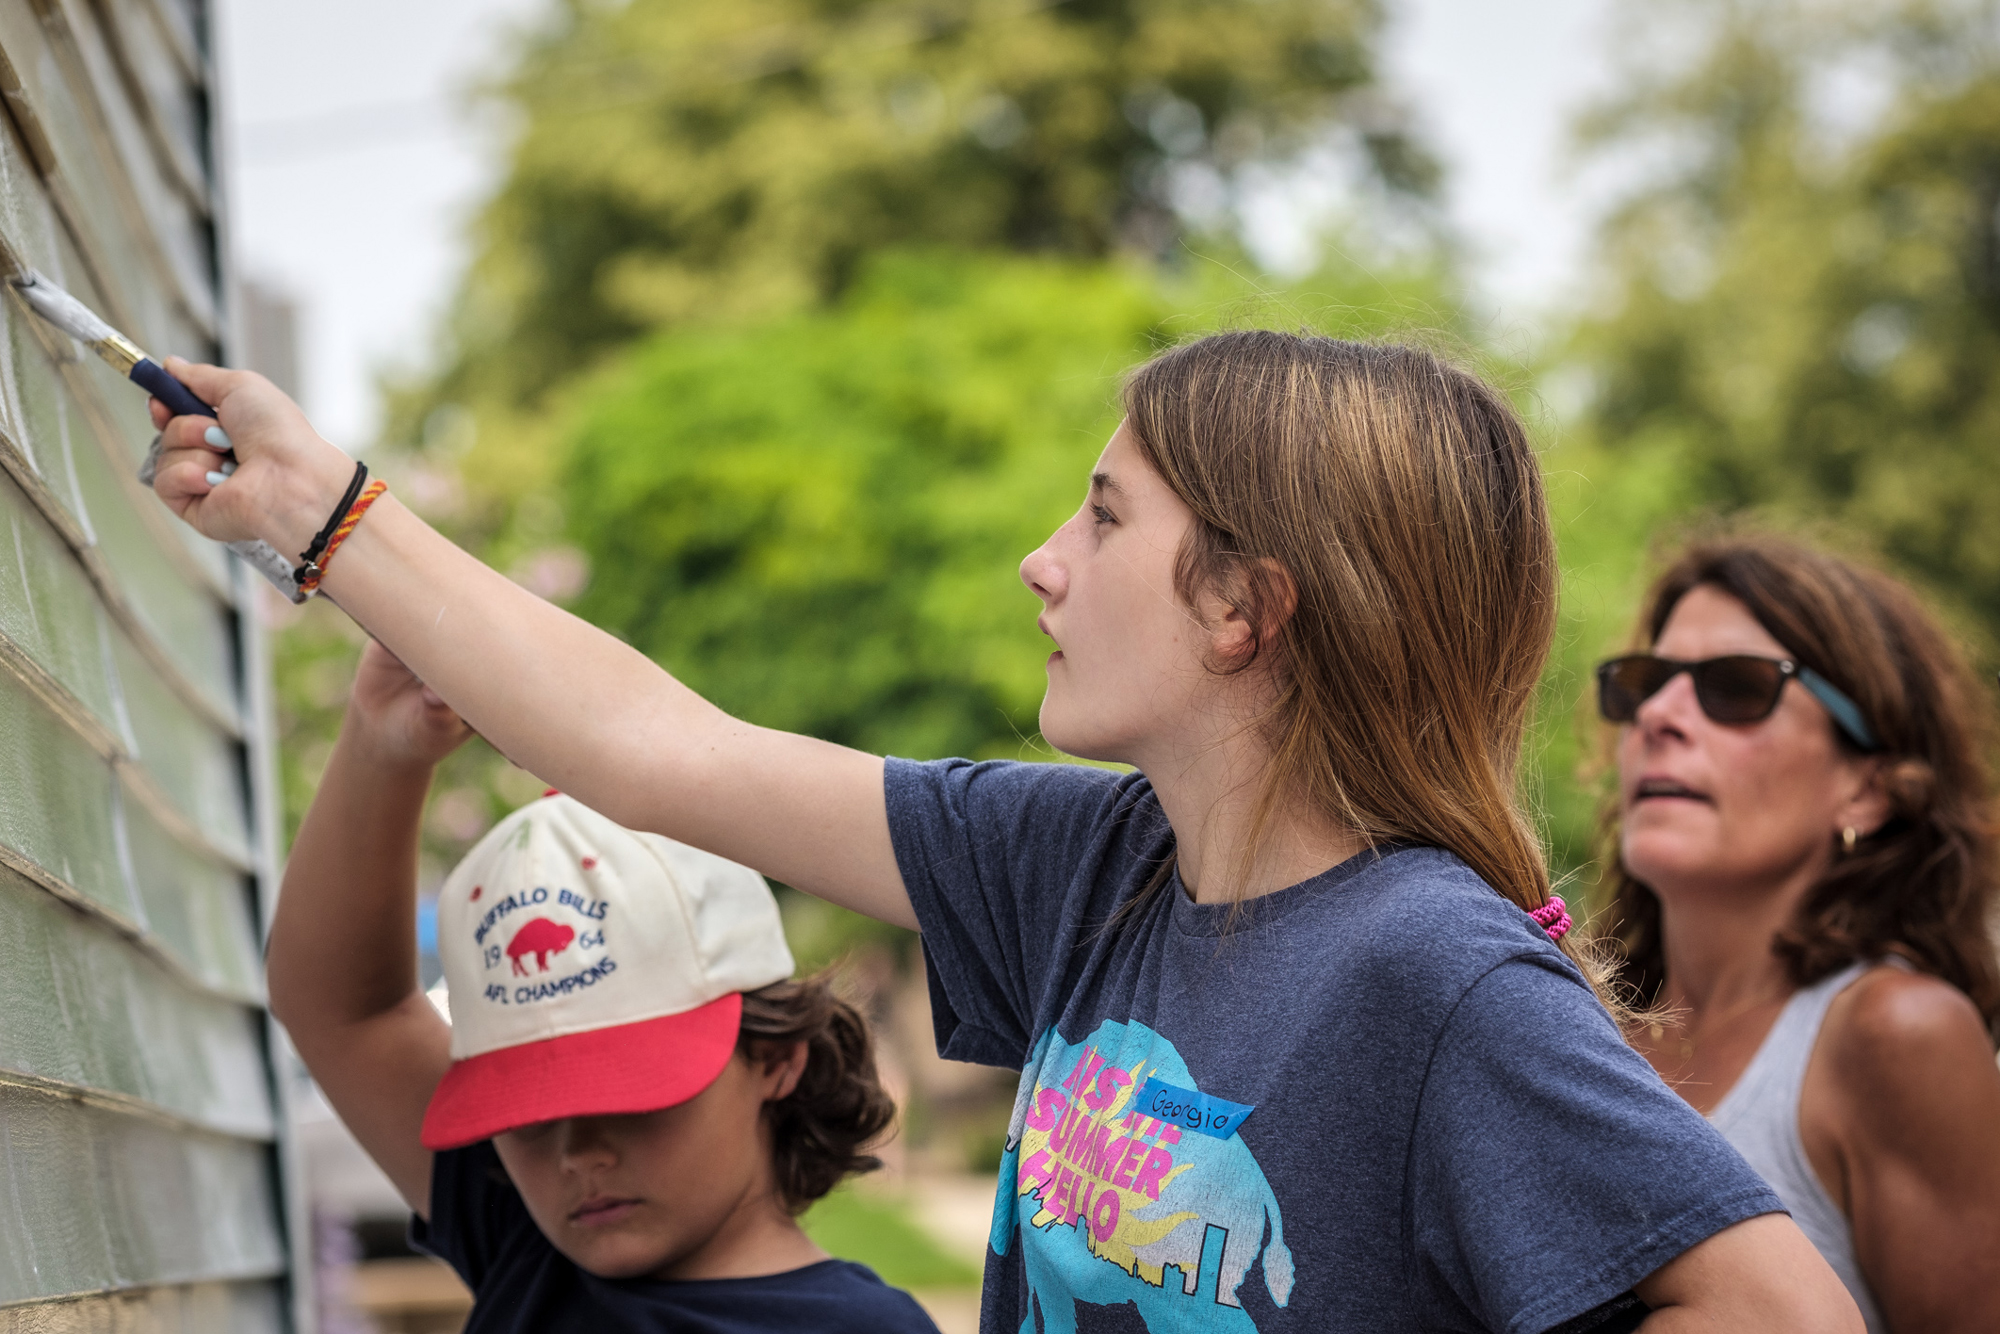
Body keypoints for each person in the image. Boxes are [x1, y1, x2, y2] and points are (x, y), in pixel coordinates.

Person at [153, 332, 1863, 1332]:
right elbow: (661, 750)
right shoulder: (1087, 862)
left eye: (1105, 514)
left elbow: (1780, 1307)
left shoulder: (1435, 967)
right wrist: (330, 514)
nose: (1044, 559)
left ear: (1245, 607)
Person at [271, 637, 939, 1333]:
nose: (577, 1155)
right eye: (525, 1118)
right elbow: (338, 1011)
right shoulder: (526, 1243)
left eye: (632, 1097)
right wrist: (383, 744)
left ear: (773, 1057)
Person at [1597, 533, 2000, 1331]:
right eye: (1646, 682)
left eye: (1738, 688)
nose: (1659, 716)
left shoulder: (1896, 1036)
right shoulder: (1582, 1026)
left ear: (1869, 789)